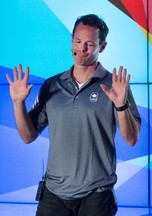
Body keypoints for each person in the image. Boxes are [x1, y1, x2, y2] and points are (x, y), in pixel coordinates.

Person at [6, 14, 141, 216]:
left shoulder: (115, 86)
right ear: (71, 40)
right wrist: (18, 103)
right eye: (77, 41)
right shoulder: (52, 85)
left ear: (102, 47)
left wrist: (121, 105)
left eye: (89, 44)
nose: (81, 49)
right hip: (54, 194)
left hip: (97, 195)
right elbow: (28, 136)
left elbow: (131, 139)